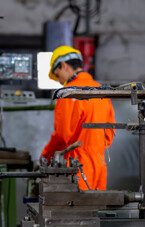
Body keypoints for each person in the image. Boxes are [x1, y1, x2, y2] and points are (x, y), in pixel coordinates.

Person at [40, 45, 116, 191]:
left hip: (77, 168)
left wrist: (45, 156)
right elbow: (109, 135)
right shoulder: (101, 92)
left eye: (57, 75)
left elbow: (62, 136)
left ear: (64, 66)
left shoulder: (68, 93)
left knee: (75, 211)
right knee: (95, 210)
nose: (60, 81)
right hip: (100, 167)